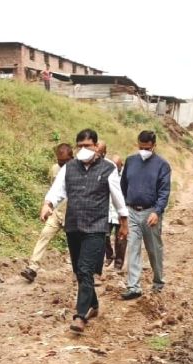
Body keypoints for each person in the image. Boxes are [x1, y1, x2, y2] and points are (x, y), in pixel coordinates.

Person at [41, 129, 128, 333]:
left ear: (96, 147)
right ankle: (93, 305)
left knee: (86, 269)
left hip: (96, 227)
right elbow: (58, 190)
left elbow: (117, 197)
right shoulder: (69, 167)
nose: (82, 149)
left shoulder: (108, 169)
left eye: (87, 146)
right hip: (73, 225)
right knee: (79, 271)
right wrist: (48, 204)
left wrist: (123, 222)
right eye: (79, 146)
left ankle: (80, 315)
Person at [120, 130, 171, 300]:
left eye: (148, 148)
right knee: (133, 248)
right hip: (132, 211)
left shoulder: (162, 165)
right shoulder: (130, 161)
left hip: (151, 212)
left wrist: (157, 211)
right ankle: (133, 286)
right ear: (137, 144)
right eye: (141, 147)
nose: (144, 151)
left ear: (154, 146)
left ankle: (158, 281)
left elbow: (164, 191)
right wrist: (124, 210)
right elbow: (123, 185)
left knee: (153, 249)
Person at [20, 144, 74, 283]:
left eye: (65, 161)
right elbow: (53, 189)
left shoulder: (77, 169)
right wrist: (48, 206)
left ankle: (79, 272)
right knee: (44, 235)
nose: (62, 164)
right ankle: (32, 267)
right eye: (59, 161)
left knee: (75, 243)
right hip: (57, 211)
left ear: (71, 157)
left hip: (74, 212)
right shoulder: (55, 169)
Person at [104, 154, 126, 269]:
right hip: (107, 212)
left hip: (120, 213)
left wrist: (123, 213)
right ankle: (109, 255)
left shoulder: (126, 177)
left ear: (121, 165)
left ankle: (118, 264)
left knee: (120, 240)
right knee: (103, 236)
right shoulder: (107, 174)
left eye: (116, 167)